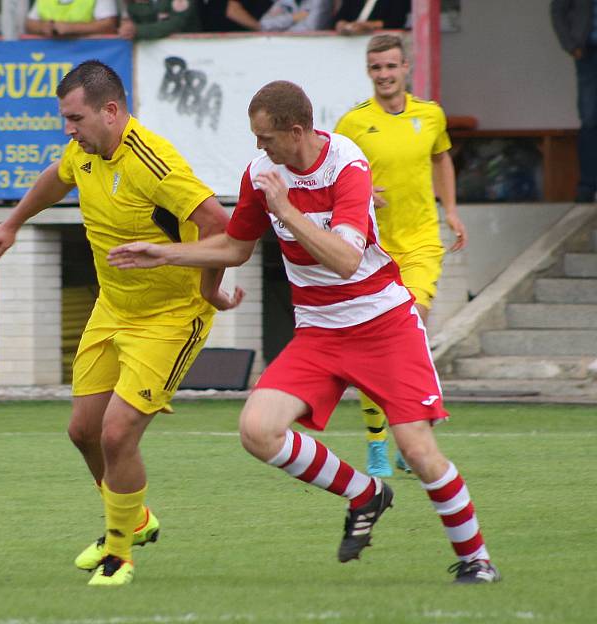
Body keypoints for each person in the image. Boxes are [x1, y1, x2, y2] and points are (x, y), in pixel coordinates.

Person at [108, 80, 500, 584]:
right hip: (319, 332)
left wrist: (287, 209)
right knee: (256, 429)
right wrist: (164, 253)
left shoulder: (348, 165)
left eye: (266, 138)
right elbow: (233, 248)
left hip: (384, 325)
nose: (259, 149)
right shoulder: (262, 173)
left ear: (297, 131)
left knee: (419, 453)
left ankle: (477, 560)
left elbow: (345, 260)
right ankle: (365, 493)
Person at [0, 60, 240, 587]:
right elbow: (55, 181)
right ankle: (136, 518)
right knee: (83, 432)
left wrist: (209, 289)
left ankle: (119, 553)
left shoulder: (154, 162)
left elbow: (223, 228)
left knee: (118, 432)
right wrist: (12, 222)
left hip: (170, 317)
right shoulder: (84, 151)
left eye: (75, 117)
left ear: (111, 110)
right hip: (113, 309)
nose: (68, 129)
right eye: (65, 119)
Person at [334, 34, 466, 477]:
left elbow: (442, 159)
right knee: (379, 344)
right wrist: (363, 192)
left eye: (391, 66)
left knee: (410, 331)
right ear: (369, 72)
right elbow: (331, 171)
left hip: (422, 242)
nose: (384, 75)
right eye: (376, 68)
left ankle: (412, 437)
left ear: (406, 67)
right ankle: (377, 443)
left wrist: (450, 210)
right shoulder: (354, 124)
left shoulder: (430, 115)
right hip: (373, 250)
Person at [551, 0, 597, 203]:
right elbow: (557, 10)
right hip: (588, 51)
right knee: (589, 118)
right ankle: (587, 185)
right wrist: (570, 44)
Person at [25, 0, 117, 37]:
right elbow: (30, 24)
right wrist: (43, 27)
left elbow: (109, 24)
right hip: (53, 59)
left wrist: (71, 28)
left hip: (88, 55)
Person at [118, 0, 202, 40]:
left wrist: (138, 30)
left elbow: (176, 24)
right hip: (148, 53)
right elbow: (135, 18)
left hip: (187, 47)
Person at [330, 0, 410, 35]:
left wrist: (367, 25)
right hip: (348, 45)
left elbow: (397, 21)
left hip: (381, 44)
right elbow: (338, 18)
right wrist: (341, 24)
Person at [259, 0, 333, 32]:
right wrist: (292, 18)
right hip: (284, 49)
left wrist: (278, 33)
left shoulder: (320, 1)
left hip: (312, 49)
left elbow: (309, 30)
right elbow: (264, 24)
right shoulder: (285, 1)